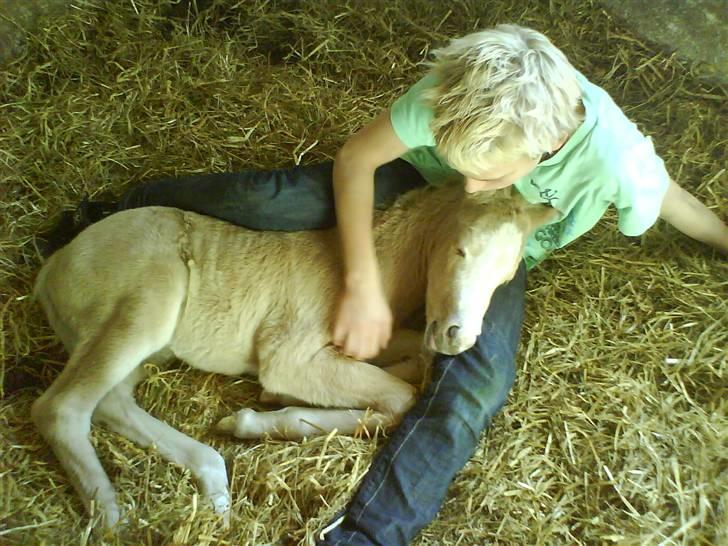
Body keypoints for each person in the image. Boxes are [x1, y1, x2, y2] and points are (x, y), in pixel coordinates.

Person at [45, 24, 728, 546]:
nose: (472, 184)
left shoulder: (619, 164)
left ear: (545, 147)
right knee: (268, 195)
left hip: (494, 246)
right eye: (465, 163)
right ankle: (114, 214)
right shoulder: (459, 95)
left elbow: (673, 201)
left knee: (471, 390)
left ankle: (365, 533)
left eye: (490, 171)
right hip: (410, 193)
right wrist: (364, 284)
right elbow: (359, 160)